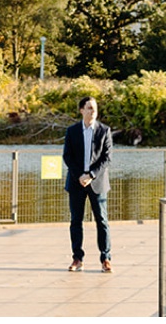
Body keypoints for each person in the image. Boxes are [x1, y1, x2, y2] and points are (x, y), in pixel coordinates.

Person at [62, 94, 112, 272]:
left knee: (102, 221)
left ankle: (105, 259)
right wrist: (80, 176)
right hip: (76, 182)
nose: (93, 111)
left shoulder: (104, 131)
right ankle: (77, 258)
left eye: (95, 108)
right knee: (76, 221)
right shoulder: (72, 131)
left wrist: (90, 174)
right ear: (81, 110)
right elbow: (67, 156)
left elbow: (107, 158)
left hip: (97, 182)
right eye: (89, 108)